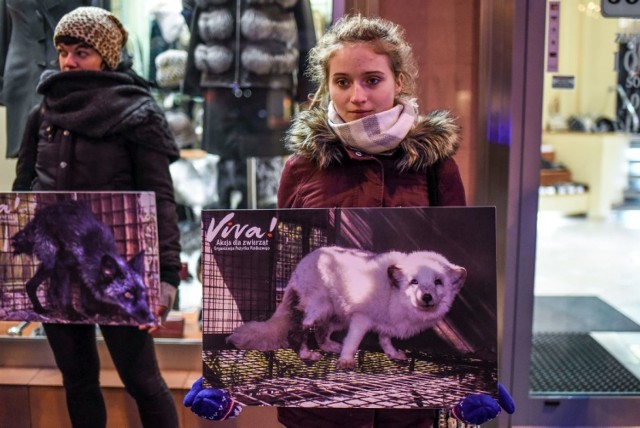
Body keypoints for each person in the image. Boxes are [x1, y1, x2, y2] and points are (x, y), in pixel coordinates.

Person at [184, 14, 514, 427]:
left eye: (372, 80)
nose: (357, 95)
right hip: (322, 409)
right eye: (342, 82)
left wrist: (464, 385)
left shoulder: (434, 165)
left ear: (399, 82)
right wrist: (232, 380)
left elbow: (451, 269)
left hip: (404, 410)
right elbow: (285, 268)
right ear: (327, 86)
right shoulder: (301, 167)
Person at [12, 7, 182, 428]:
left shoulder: (138, 112)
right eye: (65, 51)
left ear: (106, 55)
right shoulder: (44, 111)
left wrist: (167, 278)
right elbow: (23, 189)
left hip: (117, 266)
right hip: (58, 269)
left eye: (82, 51)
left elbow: (161, 198)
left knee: (142, 380)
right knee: (77, 380)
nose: (69, 61)